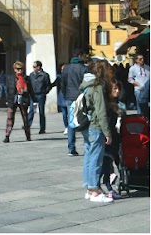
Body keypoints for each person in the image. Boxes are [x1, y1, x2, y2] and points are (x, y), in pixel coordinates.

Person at [80, 60, 114, 203]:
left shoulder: (87, 85)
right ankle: (94, 191)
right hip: (96, 127)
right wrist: (107, 132)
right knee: (96, 160)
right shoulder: (98, 87)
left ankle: (89, 188)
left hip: (87, 126)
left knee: (88, 158)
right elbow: (101, 112)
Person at [63, 48, 89, 156]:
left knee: (71, 122)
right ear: (79, 56)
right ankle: (87, 145)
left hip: (69, 97)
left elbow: (62, 83)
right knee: (84, 120)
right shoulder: (84, 68)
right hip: (81, 97)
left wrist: (65, 94)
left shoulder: (66, 68)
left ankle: (71, 148)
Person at [3, 61, 32, 143]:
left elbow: (31, 90)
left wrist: (34, 100)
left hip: (23, 99)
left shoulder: (26, 78)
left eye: (21, 69)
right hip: (13, 99)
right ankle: (7, 135)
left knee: (25, 118)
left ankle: (28, 135)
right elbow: (8, 90)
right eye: (18, 69)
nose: (20, 70)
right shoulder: (10, 78)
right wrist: (7, 100)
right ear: (14, 69)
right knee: (10, 118)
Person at [27, 60, 52, 134]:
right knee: (31, 111)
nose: (33, 68)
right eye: (33, 67)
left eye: (34, 67)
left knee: (41, 112)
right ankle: (28, 125)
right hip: (33, 95)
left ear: (39, 67)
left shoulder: (45, 75)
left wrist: (45, 92)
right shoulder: (31, 75)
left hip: (41, 94)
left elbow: (48, 85)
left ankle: (42, 128)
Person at [127, 54, 150, 118]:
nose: (142, 60)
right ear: (136, 60)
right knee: (139, 105)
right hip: (139, 90)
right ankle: (140, 119)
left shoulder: (147, 68)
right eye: (140, 59)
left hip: (147, 90)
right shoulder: (133, 68)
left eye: (143, 59)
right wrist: (137, 83)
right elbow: (130, 79)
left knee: (147, 105)